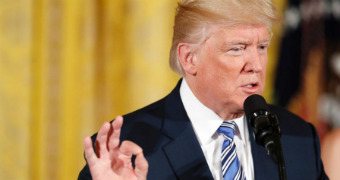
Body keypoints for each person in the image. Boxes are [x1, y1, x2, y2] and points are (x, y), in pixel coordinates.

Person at [78, 0, 329, 179]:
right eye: (237, 48)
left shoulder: (298, 140)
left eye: (262, 47)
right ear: (189, 58)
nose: (256, 65)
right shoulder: (123, 152)